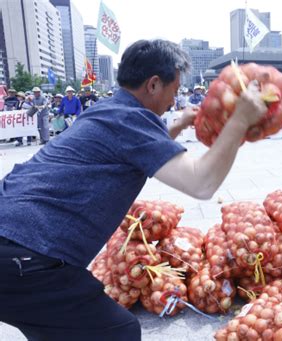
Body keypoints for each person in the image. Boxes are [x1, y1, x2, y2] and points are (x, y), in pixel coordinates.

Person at [0, 39, 266, 341]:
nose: (173, 99)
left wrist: (177, 126)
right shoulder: (131, 120)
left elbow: (134, 150)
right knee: (117, 332)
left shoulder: (109, 110)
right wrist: (241, 120)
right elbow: (201, 183)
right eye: (174, 90)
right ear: (153, 84)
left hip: (13, 246)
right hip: (28, 257)